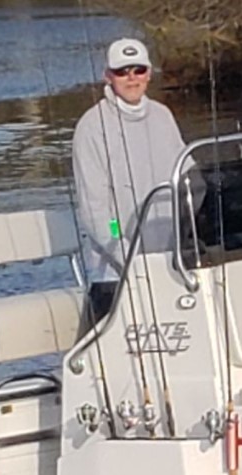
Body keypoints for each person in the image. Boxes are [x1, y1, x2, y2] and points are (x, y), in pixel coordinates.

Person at [72, 37, 189, 321]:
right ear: (108, 76)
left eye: (138, 70)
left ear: (149, 73)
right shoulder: (90, 127)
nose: (131, 78)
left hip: (171, 267)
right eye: (122, 72)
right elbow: (97, 212)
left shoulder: (163, 116)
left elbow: (188, 182)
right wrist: (125, 253)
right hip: (116, 277)